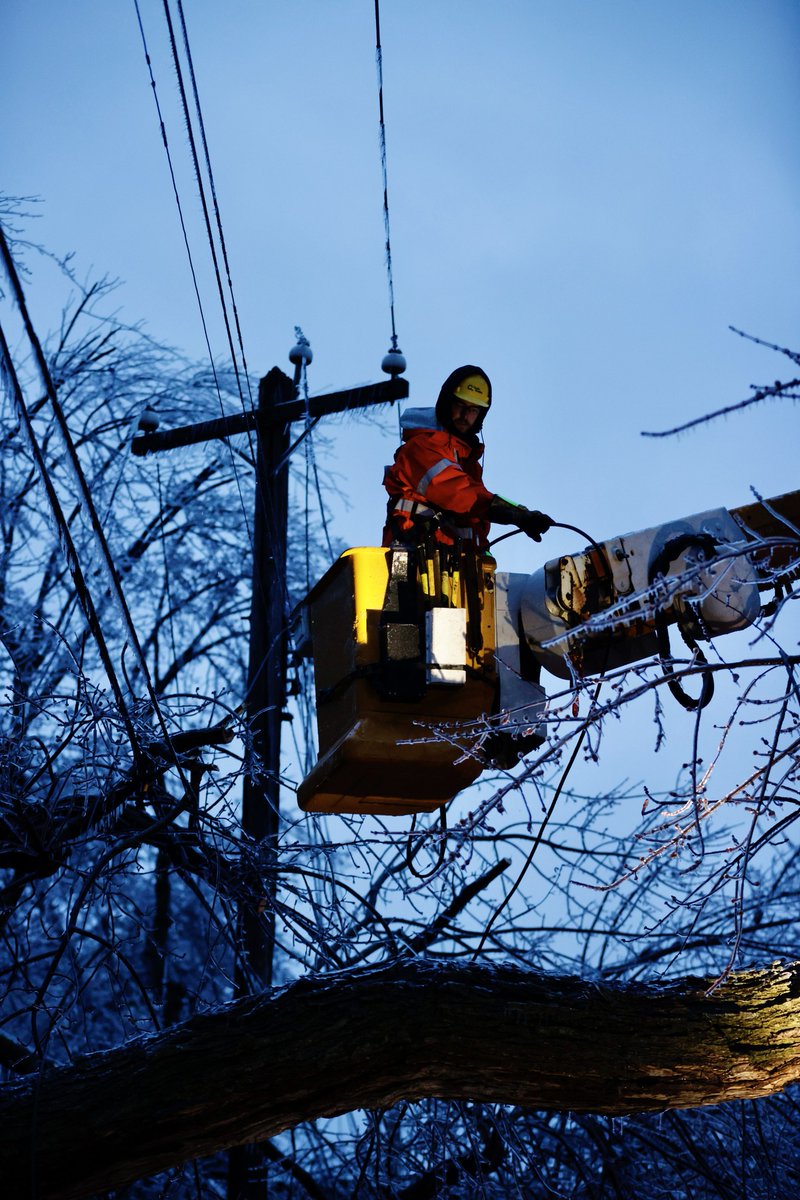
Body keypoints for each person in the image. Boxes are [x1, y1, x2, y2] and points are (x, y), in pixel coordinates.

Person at [382, 365, 552, 550]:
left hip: (453, 568)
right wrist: (517, 515)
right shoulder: (421, 448)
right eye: (460, 405)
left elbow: (475, 521)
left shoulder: (468, 462)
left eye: (473, 410)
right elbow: (460, 493)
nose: (465, 416)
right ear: (447, 404)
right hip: (414, 559)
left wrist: (521, 513)